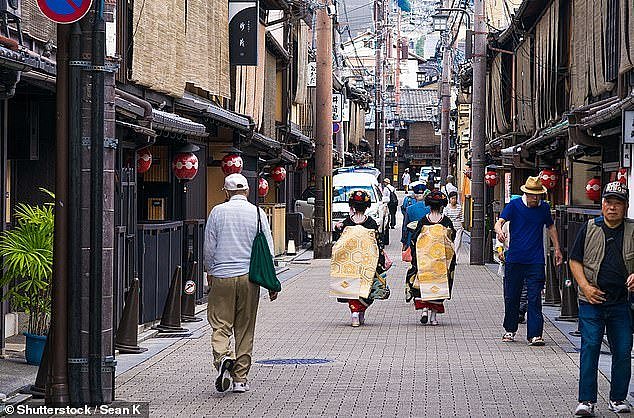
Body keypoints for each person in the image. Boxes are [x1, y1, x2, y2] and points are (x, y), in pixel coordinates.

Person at [204, 173, 278, 394]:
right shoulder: (257, 212)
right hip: (250, 278)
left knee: (220, 324)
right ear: (246, 191)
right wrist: (271, 281)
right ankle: (240, 380)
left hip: (223, 276)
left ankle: (224, 356)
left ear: (226, 192)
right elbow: (268, 247)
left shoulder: (217, 212)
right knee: (245, 329)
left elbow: (209, 247)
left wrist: (210, 271)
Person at [569, 182, 634, 416]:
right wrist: (585, 287)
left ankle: (618, 398)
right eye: (609, 202)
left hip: (621, 302)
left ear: (625, 207)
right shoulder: (589, 227)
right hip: (591, 300)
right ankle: (586, 400)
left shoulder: (632, 229)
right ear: (602, 205)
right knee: (591, 347)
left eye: (618, 203)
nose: (613, 208)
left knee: (623, 349)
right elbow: (574, 260)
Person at [494, 176, 563, 346]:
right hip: (515, 258)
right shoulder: (514, 206)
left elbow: (551, 226)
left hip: (536, 259)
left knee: (535, 297)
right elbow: (499, 222)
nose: (535, 198)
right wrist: (499, 231)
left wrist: (558, 249)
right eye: (533, 195)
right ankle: (510, 330)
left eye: (538, 195)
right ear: (526, 193)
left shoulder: (544, 208)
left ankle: (535, 335)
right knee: (512, 296)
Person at [332, 190, 386, 327]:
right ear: (367, 206)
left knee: (352, 286)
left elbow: (340, 241)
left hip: (350, 262)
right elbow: (377, 243)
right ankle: (358, 312)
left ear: (352, 206)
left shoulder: (347, 222)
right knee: (366, 286)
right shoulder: (371, 223)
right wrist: (381, 259)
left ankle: (355, 313)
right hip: (367, 262)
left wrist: (338, 228)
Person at [405, 190, 456, 325]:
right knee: (438, 286)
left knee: (422, 284)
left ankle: (424, 311)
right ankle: (433, 318)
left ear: (428, 205)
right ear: (441, 205)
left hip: (425, 260)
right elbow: (452, 238)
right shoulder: (445, 221)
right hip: (440, 261)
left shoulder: (423, 221)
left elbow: (415, 238)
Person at [494, 194, 528, 324]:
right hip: (509, 259)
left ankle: (520, 311)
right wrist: (500, 251)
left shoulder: (526, 222)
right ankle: (512, 311)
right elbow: (499, 242)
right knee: (509, 287)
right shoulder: (505, 224)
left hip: (524, 259)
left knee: (524, 287)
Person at [401, 182, 429, 253]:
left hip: (412, 236)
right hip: (426, 236)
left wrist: (404, 240)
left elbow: (405, 226)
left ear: (415, 196)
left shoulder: (409, 209)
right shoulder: (430, 209)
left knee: (414, 256)